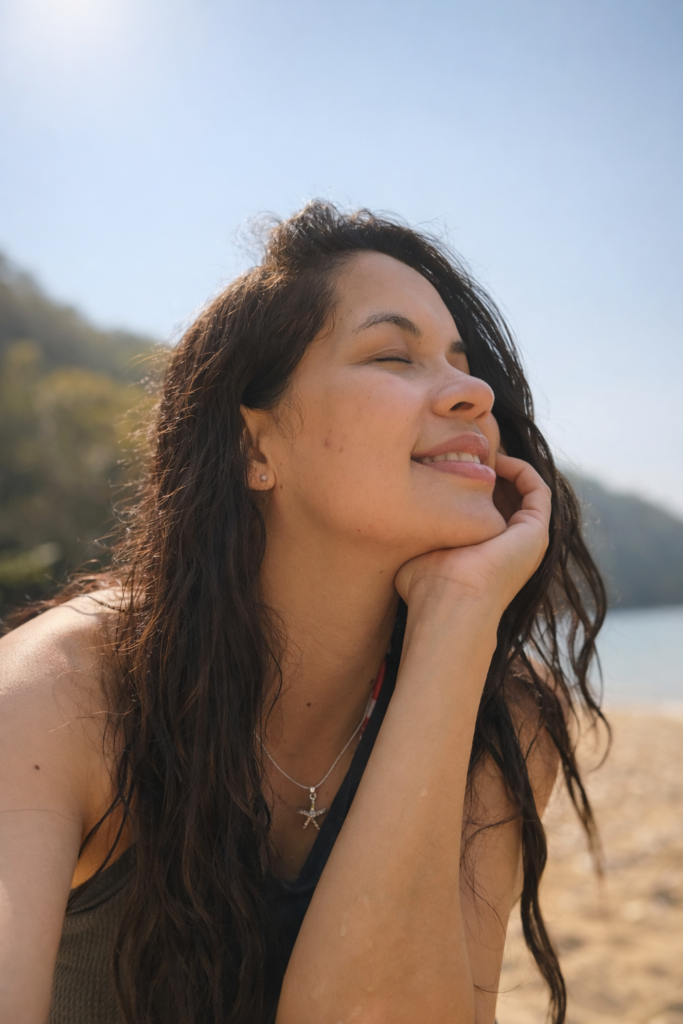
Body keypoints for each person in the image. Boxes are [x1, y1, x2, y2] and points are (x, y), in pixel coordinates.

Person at [0, 202, 606, 1024]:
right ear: (255, 447)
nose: (472, 392)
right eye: (394, 355)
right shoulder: (62, 696)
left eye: (464, 364)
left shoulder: (505, 724)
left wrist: (457, 620)